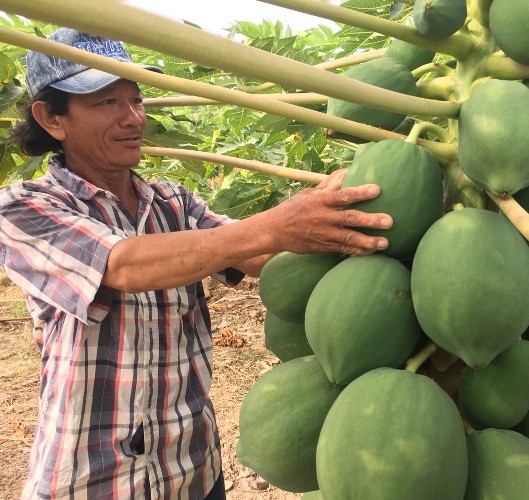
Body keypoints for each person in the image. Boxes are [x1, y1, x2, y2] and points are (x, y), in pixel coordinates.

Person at [0, 28, 392, 499]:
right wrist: (276, 224)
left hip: (192, 471)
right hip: (92, 479)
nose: (132, 119)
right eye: (106, 103)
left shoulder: (171, 203)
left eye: (137, 100)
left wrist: (333, 213)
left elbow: (259, 254)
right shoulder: (24, 207)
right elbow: (121, 265)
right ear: (51, 118)